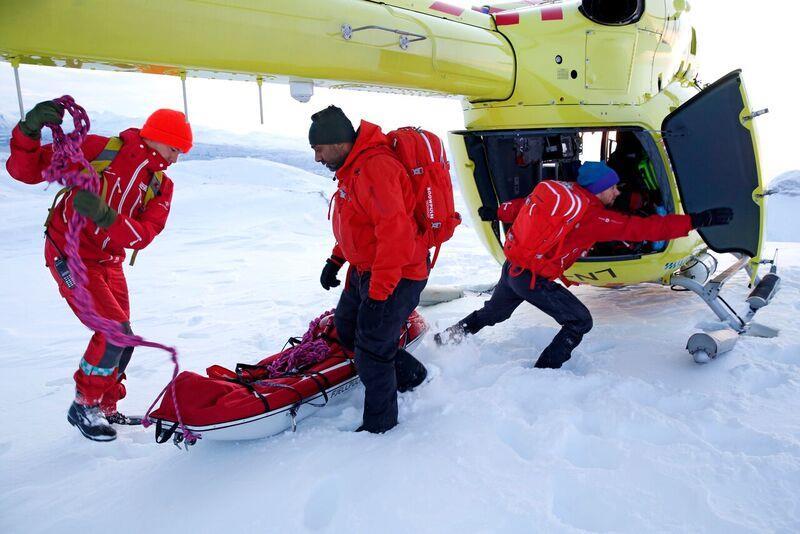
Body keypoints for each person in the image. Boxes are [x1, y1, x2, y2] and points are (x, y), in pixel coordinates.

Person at [6, 100, 192, 441]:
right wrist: (28, 131)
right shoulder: (99, 149)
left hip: (109, 262)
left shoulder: (160, 185)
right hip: (69, 252)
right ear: (156, 137)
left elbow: (144, 235)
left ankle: (105, 406)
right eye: (174, 148)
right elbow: (27, 171)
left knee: (125, 337)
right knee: (112, 333)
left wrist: (106, 217)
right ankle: (84, 404)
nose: (176, 158)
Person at [434, 161, 733, 368]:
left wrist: (496, 212)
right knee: (579, 321)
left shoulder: (563, 196)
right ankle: (545, 372)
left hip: (514, 267)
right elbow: (643, 229)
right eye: (612, 187)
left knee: (493, 313)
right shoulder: (592, 217)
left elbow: (523, 205)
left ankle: (446, 337)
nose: (617, 193)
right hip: (532, 278)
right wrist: (697, 221)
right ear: (599, 188)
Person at [311, 105, 429, 433]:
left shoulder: (376, 168)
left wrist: (379, 294)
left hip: (399, 272)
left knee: (371, 349)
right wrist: (336, 259)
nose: (317, 158)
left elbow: (395, 237)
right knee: (347, 330)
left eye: (319, 149)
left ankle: (380, 427)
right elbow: (357, 225)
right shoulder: (353, 168)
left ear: (338, 143)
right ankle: (411, 375)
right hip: (367, 269)